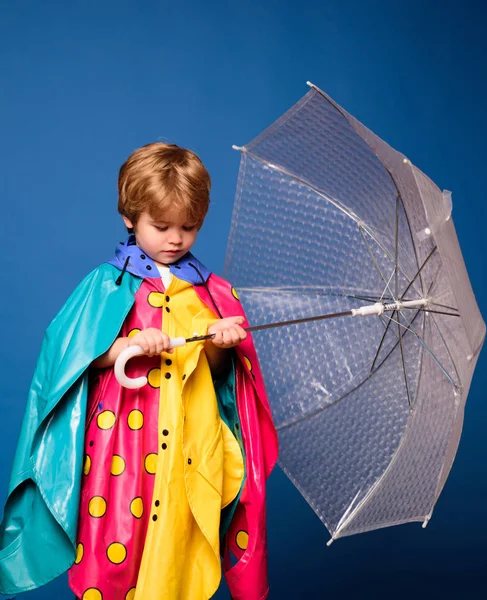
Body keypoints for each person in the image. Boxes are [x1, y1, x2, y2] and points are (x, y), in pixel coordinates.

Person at [0, 143, 278, 600]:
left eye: (189, 227)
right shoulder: (107, 284)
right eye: (162, 226)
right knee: (119, 545)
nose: (176, 239)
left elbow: (225, 380)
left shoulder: (212, 291)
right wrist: (126, 346)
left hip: (191, 445)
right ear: (130, 217)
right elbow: (68, 359)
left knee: (179, 549)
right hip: (125, 448)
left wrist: (221, 343)